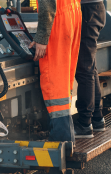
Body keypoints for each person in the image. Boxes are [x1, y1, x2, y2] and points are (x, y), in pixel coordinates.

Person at [30, 0, 82, 143]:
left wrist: (41, 37)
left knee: (55, 82)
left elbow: (47, 3)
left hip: (58, 19)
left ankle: (62, 139)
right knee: (65, 79)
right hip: (73, 12)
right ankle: (66, 135)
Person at [73, 0, 106, 138]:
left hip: (87, 10)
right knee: (90, 68)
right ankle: (97, 119)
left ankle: (85, 124)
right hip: (94, 8)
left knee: (84, 70)